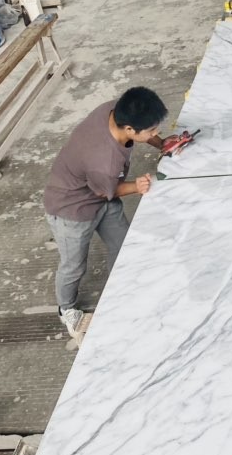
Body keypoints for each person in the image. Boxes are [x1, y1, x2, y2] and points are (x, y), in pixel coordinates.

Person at [44, 87, 176, 336]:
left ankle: (122, 288)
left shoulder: (118, 110)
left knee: (123, 245)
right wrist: (137, 186)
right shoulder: (104, 160)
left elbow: (141, 132)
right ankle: (66, 309)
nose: (155, 133)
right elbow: (109, 191)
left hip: (101, 193)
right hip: (72, 209)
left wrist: (162, 144)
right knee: (74, 266)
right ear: (130, 130)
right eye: (152, 131)